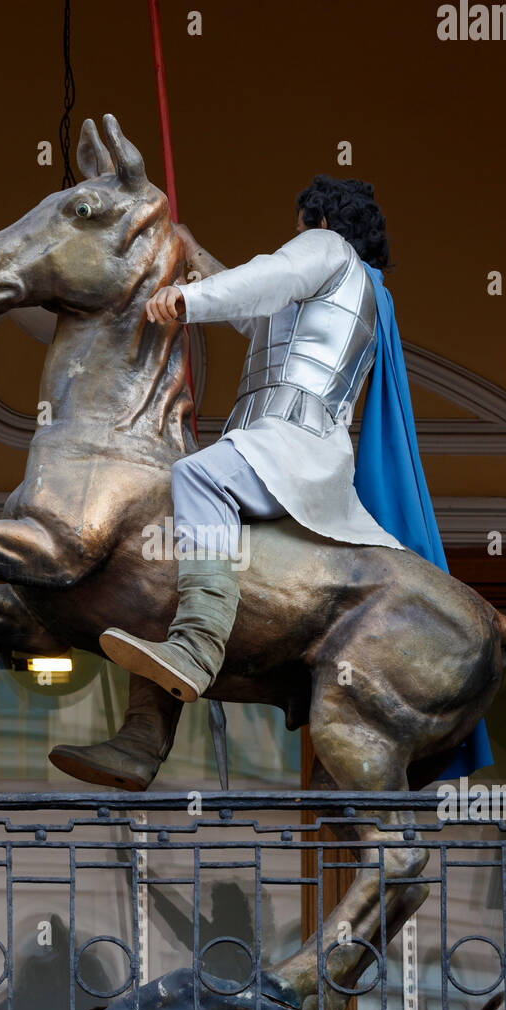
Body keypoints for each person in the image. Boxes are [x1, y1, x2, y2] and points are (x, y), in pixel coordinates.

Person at [99, 177, 405, 702]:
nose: (297, 236)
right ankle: (145, 727)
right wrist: (192, 256)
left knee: (196, 475)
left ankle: (195, 647)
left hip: (289, 442)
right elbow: (256, 309)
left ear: (323, 222)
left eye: (299, 227)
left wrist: (185, 297)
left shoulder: (327, 248)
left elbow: (268, 277)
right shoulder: (359, 288)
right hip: (296, 444)